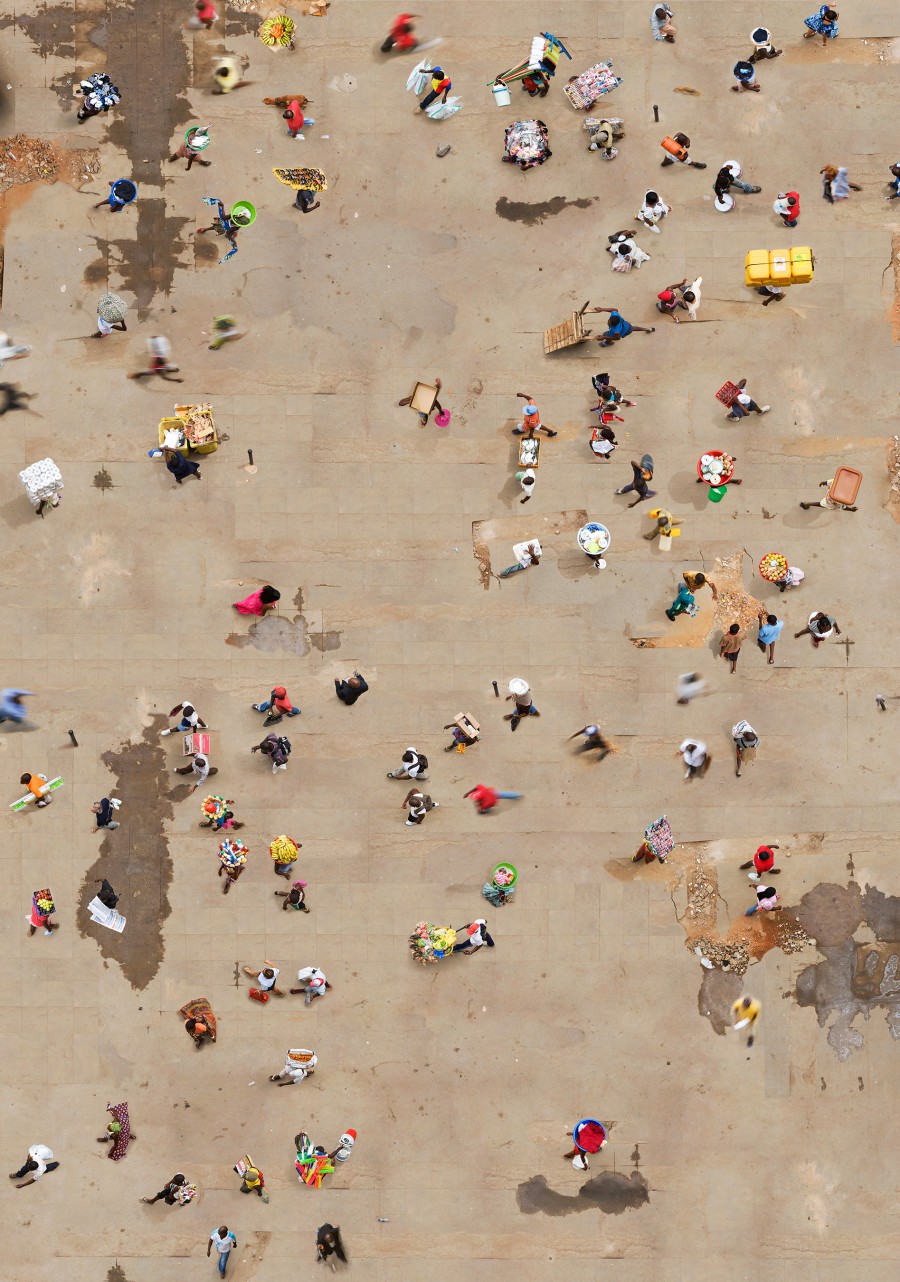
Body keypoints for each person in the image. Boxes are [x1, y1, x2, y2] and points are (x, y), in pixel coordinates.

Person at [590, 307, 655, 345]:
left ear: (614, 325)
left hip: (625, 331)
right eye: (608, 321)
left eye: (609, 324)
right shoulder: (615, 316)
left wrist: (604, 337)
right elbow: (615, 310)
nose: (608, 323)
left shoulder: (616, 331)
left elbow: (617, 338)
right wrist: (602, 309)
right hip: (627, 326)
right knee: (633, 328)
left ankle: (609, 342)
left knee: (606, 334)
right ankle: (648, 329)